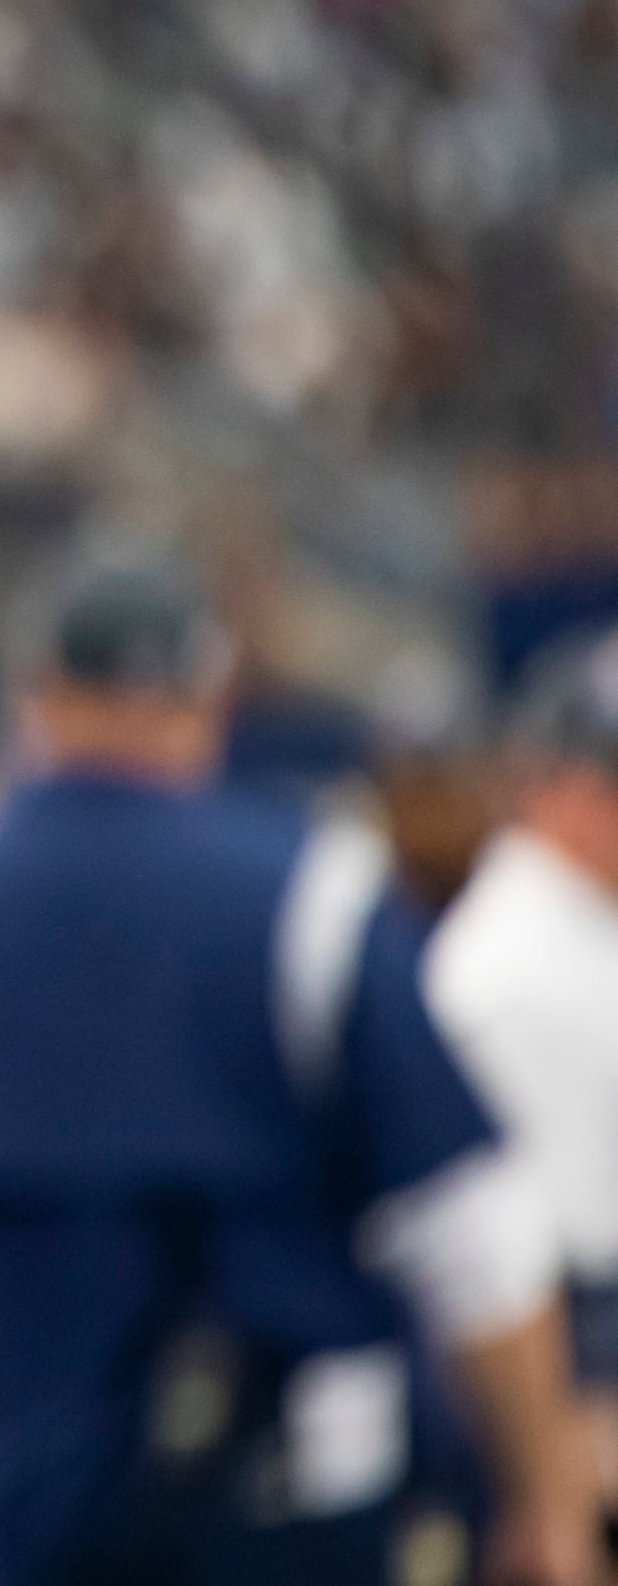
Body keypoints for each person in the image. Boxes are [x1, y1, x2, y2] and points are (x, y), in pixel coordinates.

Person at [0, 545, 600, 1586]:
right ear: (207, 693)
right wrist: (541, 1501)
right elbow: (474, 1233)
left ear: (32, 698)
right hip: (291, 1503)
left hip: (0, 1506)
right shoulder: (316, 896)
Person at [428, 626, 618, 1558]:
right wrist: (553, 1465)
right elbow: (502, 1258)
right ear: (556, 785)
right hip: (578, 1356)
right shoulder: (505, 967)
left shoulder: (584, 923)